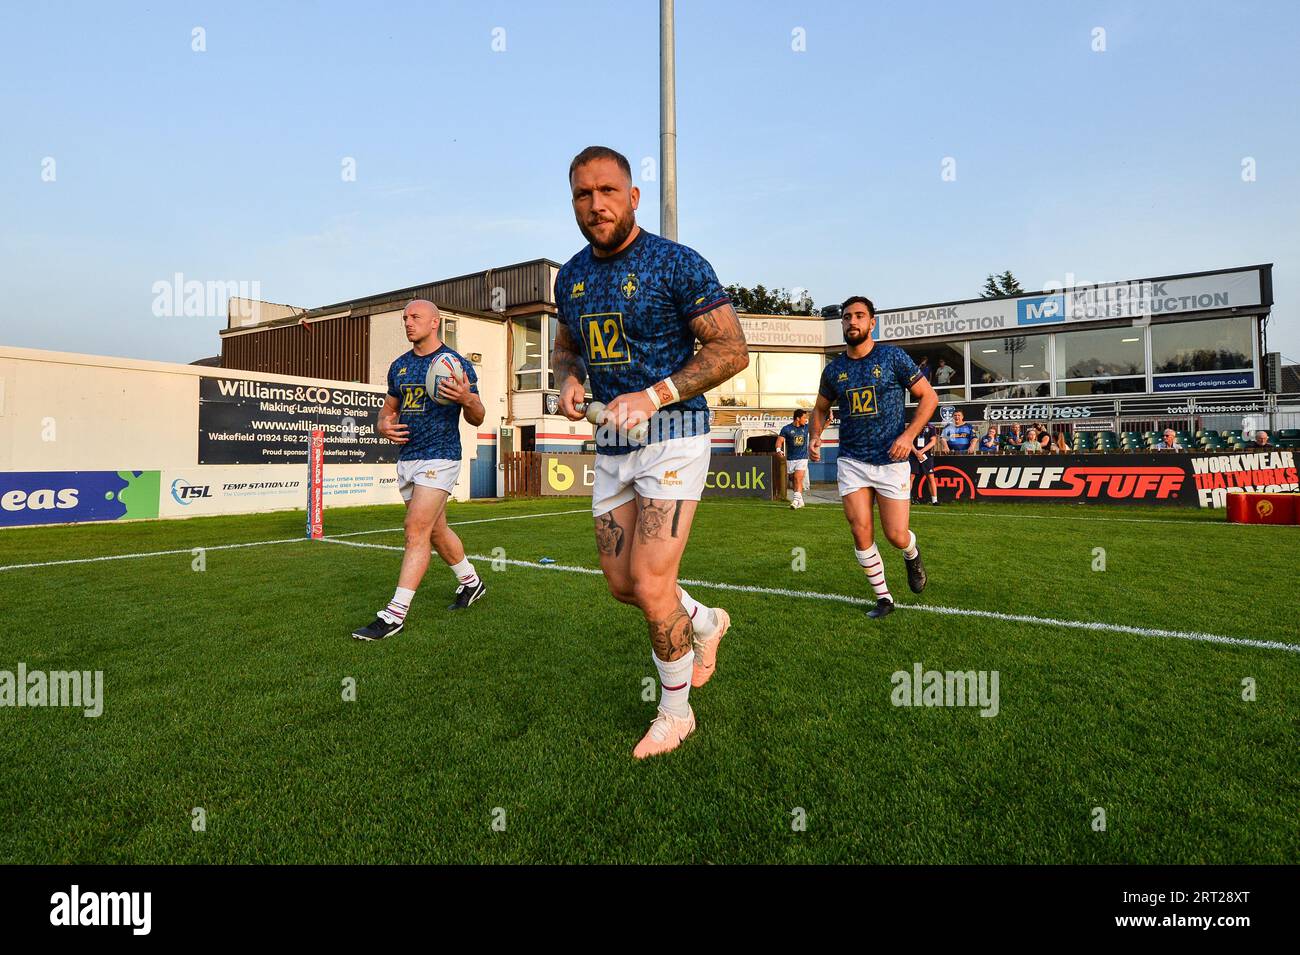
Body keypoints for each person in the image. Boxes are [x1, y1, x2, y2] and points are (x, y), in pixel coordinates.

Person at [550, 145, 749, 759]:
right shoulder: (571, 275)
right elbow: (566, 348)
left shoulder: (676, 263)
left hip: (675, 436)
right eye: (584, 194)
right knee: (620, 583)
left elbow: (731, 350)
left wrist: (657, 393)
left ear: (632, 196)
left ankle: (675, 715)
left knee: (651, 580)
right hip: (609, 442)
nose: (596, 204)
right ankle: (708, 621)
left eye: (607, 191)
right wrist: (567, 378)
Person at [352, 300, 487, 641]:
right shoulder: (398, 366)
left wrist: (466, 398)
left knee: (415, 529)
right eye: (405, 318)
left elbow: (478, 415)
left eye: (415, 318)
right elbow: (389, 408)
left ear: (435, 322)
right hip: (408, 457)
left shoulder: (457, 365)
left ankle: (394, 614)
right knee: (436, 532)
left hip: (440, 456)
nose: (408, 323)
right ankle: (472, 583)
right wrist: (383, 424)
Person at [809, 295, 937, 619]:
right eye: (847, 317)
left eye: (859, 316)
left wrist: (908, 437)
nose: (853, 322)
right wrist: (814, 435)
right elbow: (820, 408)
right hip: (851, 460)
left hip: (891, 459)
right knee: (860, 530)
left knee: (895, 535)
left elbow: (929, 398)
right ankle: (884, 598)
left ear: (872, 322)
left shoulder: (893, 357)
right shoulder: (834, 369)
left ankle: (912, 553)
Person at [776, 409, 811, 509]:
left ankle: (795, 501)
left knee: (797, 478)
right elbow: (779, 441)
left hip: (802, 458)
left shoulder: (806, 428)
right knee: (793, 481)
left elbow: (819, 428)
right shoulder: (786, 429)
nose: (806, 419)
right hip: (790, 459)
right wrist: (779, 450)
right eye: (804, 418)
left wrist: (828, 421)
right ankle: (801, 501)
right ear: (798, 418)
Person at [911, 419, 940, 505]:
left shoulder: (931, 427)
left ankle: (934, 500)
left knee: (930, 477)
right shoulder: (912, 426)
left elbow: (933, 441)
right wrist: (916, 452)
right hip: (913, 454)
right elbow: (908, 441)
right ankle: (907, 499)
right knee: (910, 477)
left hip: (926, 454)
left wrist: (921, 451)